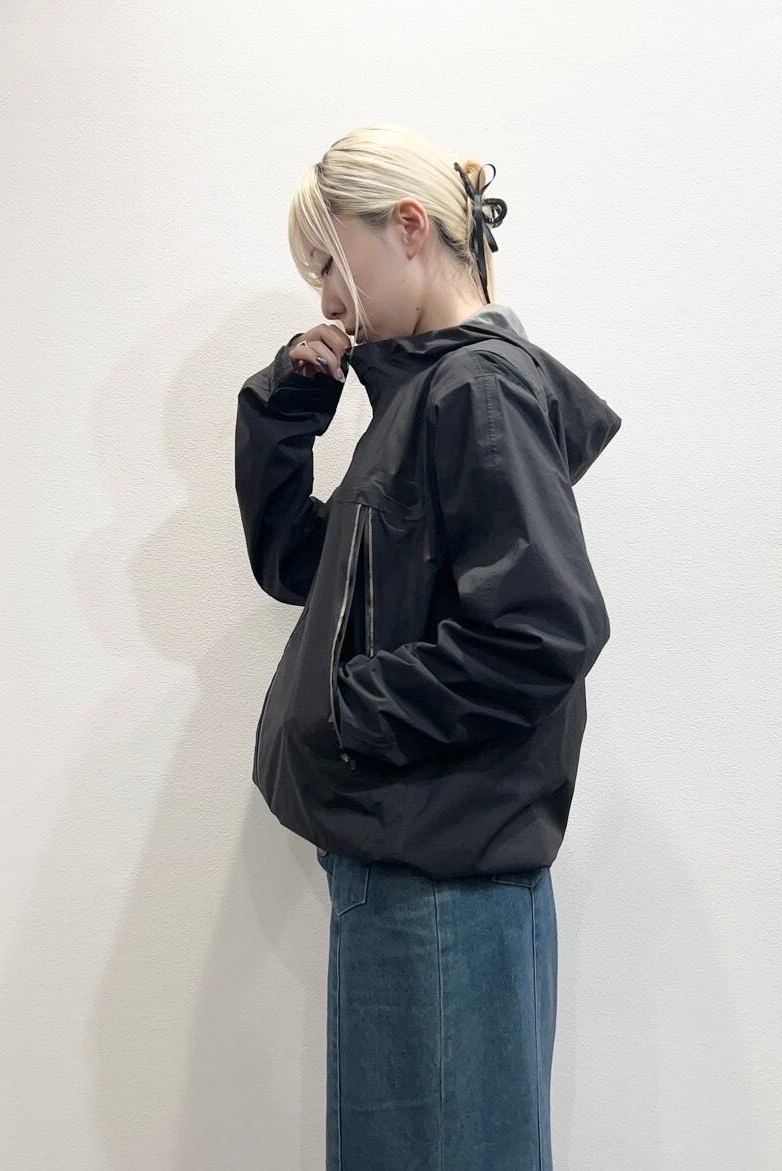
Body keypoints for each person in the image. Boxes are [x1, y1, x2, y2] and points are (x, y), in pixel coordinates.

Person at [234, 123, 622, 1171]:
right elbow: (301, 568)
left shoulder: (473, 391)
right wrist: (288, 410)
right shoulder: (424, 401)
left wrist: (346, 713)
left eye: (329, 262)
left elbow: (543, 627)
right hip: (420, 869)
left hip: (438, 886)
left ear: (408, 226)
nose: (326, 299)